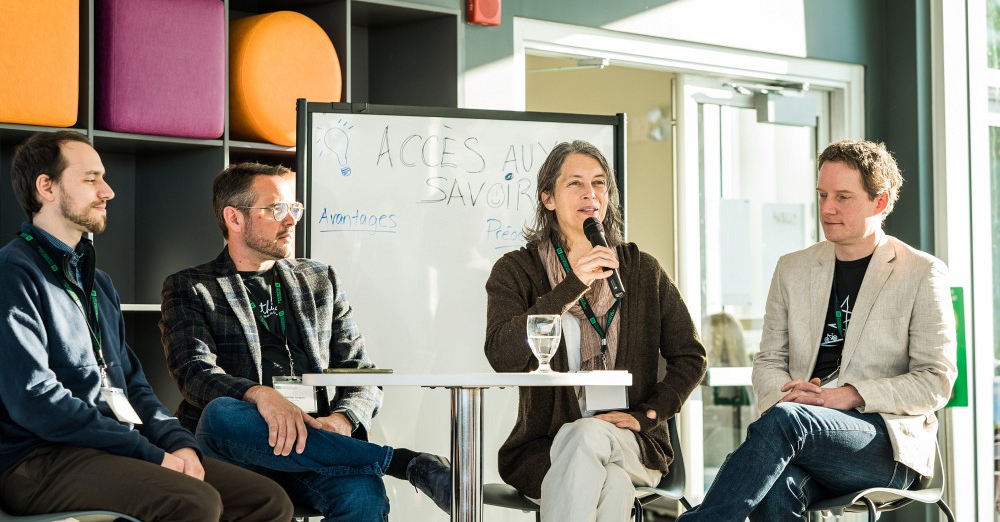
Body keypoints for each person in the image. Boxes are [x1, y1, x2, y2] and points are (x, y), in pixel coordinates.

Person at [0, 131, 293, 522]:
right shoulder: (13, 274)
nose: (108, 191)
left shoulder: (98, 282)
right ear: (46, 187)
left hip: (109, 448)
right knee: (193, 501)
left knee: (267, 500)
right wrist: (150, 454)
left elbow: (133, 386)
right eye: (91, 179)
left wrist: (178, 444)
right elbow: (34, 398)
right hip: (36, 461)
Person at [677, 139, 958, 521]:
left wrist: (847, 395)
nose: (827, 208)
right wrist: (793, 396)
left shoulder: (921, 273)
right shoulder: (792, 269)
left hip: (884, 444)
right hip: (801, 432)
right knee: (777, 486)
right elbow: (769, 362)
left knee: (787, 421)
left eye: (843, 197)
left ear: (879, 202)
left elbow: (935, 381)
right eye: (822, 194)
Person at [159, 162, 451, 521]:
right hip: (241, 450)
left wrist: (343, 420)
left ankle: (366, 456)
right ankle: (404, 463)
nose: (291, 220)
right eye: (275, 209)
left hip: (315, 444)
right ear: (234, 218)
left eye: (293, 208)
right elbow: (194, 373)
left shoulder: (319, 279)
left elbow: (362, 373)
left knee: (363, 493)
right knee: (219, 414)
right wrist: (261, 395)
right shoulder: (192, 287)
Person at [484, 140, 707, 522]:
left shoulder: (642, 270)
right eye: (575, 184)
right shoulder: (516, 270)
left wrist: (647, 415)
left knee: (587, 435)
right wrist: (574, 285)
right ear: (548, 198)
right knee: (613, 484)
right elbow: (502, 354)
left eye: (600, 183)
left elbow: (690, 356)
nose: (591, 193)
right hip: (543, 449)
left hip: (633, 442)